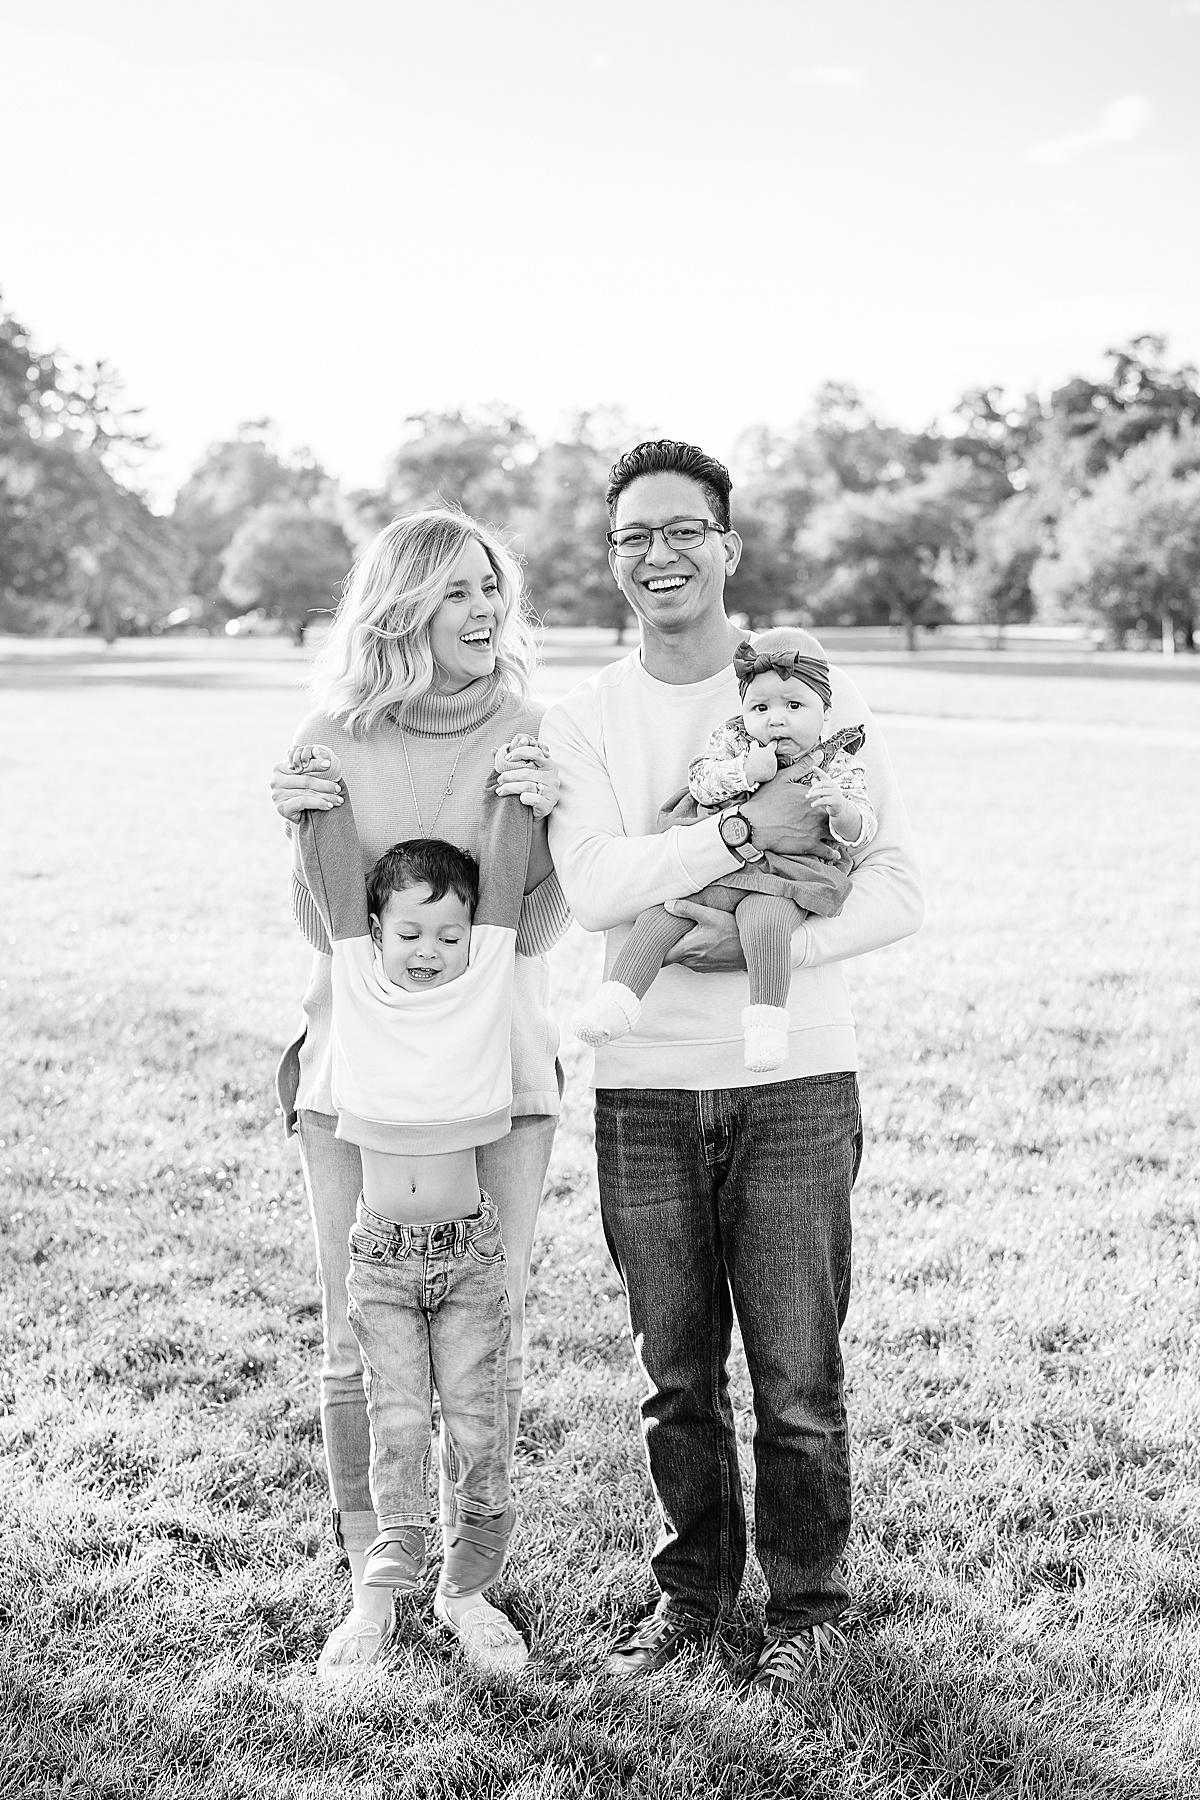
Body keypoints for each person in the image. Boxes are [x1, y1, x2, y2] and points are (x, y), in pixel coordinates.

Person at [541, 440, 923, 1699]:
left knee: (800, 1379)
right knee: (675, 1377)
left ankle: (811, 1606)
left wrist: (756, 941)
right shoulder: (585, 714)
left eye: (684, 530)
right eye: (634, 535)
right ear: (612, 559)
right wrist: (749, 830)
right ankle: (691, 1598)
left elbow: (898, 890)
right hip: (642, 1082)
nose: (660, 554)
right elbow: (596, 886)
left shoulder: (814, 690)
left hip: (796, 1073)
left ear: (728, 545)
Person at [270, 508, 568, 1678]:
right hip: (357, 1083)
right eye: (454, 592)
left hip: (503, 1076)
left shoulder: (535, 731)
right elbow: (321, 924)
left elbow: (538, 926)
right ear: (403, 610)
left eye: (491, 585)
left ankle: (469, 1586)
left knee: (483, 1340)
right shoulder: (333, 735)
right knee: (360, 1333)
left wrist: (544, 825)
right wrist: (293, 831)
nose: (484, 609)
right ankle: (374, 1584)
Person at [289, 768, 535, 1671]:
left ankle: (467, 1586)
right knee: (395, 1424)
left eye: (448, 932)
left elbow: (506, 888)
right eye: (409, 931)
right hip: (383, 1260)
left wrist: (513, 798)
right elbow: (331, 879)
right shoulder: (358, 977)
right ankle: (383, 1586)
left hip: (469, 1256)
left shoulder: (485, 979)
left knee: (477, 1422)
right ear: (378, 933)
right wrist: (321, 799)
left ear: (473, 938)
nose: (429, 947)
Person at [571, 625, 876, 1071]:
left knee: (764, 918)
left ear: (825, 711)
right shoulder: (734, 742)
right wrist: (744, 771)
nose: (776, 719)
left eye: (794, 706)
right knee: (668, 910)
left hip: (789, 877)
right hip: (723, 869)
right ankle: (618, 999)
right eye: (761, 706)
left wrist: (841, 810)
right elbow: (701, 783)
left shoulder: (838, 763)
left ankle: (766, 1027)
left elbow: (865, 827)